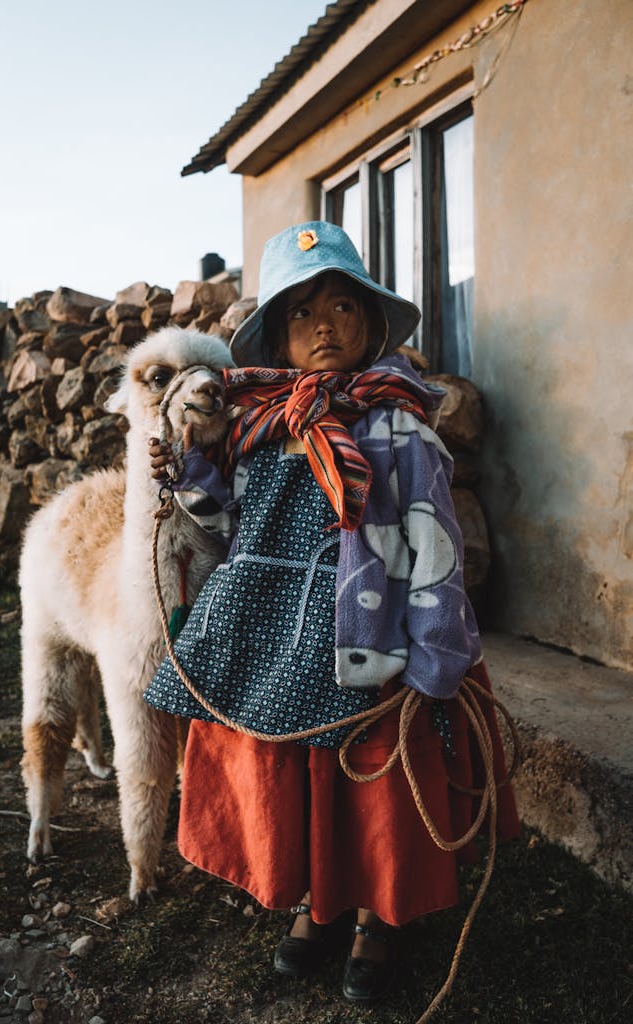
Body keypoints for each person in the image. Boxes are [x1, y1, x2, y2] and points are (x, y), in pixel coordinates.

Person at [145, 221, 519, 1004]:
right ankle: (318, 903)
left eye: (344, 308)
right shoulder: (256, 425)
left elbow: (432, 542)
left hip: (367, 631)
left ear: (371, 325)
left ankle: (376, 919)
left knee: (371, 777)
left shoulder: (397, 425)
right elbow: (224, 523)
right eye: (302, 312)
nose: (324, 326)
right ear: (279, 336)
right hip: (273, 636)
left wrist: (434, 654)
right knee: (300, 772)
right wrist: (183, 472)